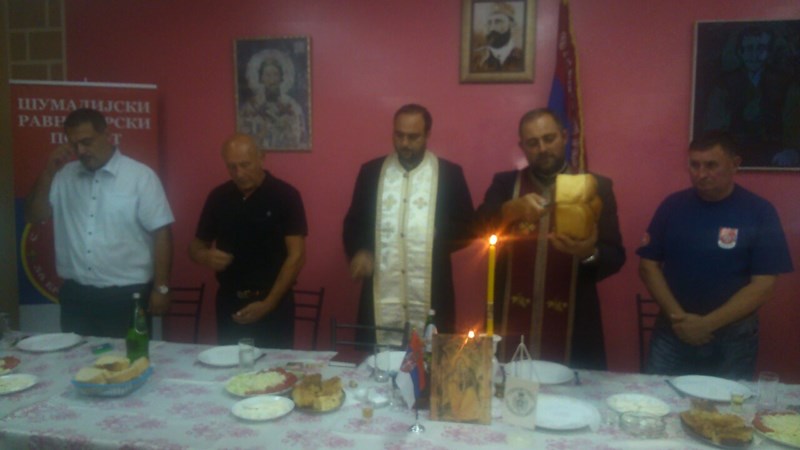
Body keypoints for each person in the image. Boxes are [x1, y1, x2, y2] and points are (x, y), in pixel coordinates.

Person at [475, 108, 625, 369]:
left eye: (549, 138)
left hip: (574, 324)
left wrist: (588, 253)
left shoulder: (596, 187)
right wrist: (510, 210)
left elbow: (615, 256)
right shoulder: (506, 184)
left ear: (564, 137)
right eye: (533, 143)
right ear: (522, 147)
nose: (542, 149)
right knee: (507, 386)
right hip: (510, 316)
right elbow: (475, 228)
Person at [638, 131, 793, 379]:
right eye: (694, 165)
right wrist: (681, 320)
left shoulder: (760, 211)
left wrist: (706, 324)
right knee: (657, 397)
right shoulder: (672, 205)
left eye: (711, 165)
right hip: (674, 328)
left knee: (728, 403)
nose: (701, 174)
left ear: (735, 164)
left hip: (734, 336)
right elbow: (648, 266)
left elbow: (764, 286)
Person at [24, 108, 174, 338]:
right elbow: (34, 216)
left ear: (107, 135)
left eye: (87, 142)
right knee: (75, 358)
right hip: (77, 296)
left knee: (130, 358)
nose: (80, 151)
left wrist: (161, 288)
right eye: (74, 145)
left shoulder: (140, 176)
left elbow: (161, 232)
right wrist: (47, 173)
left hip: (127, 295)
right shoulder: (63, 176)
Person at [343, 104, 474, 345]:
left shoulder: (449, 174)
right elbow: (354, 222)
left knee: (432, 355)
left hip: (432, 283)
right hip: (381, 284)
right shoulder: (371, 172)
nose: (404, 143)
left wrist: (434, 233)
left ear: (427, 134)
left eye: (413, 137)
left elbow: (468, 226)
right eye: (399, 135)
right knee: (379, 357)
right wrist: (360, 250)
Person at [189, 134, 306, 349]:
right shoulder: (218, 197)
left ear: (261, 158)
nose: (239, 173)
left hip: (274, 301)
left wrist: (268, 304)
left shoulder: (286, 196)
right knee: (231, 365)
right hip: (230, 300)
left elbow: (296, 256)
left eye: (245, 165)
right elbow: (195, 246)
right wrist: (203, 256)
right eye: (232, 167)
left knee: (276, 367)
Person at [702, 26, 800, 168]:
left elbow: (792, 123)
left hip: (776, 154)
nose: (754, 55)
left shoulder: (785, 83)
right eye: (749, 49)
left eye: (761, 48)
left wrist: (792, 150)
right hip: (732, 154)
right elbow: (714, 125)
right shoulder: (724, 84)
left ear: (768, 52)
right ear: (740, 52)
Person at [238, 52, 308, 149]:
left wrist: (286, 127)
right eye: (267, 75)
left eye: (275, 75)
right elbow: (243, 140)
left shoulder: (292, 106)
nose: (272, 80)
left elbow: (300, 138)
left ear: (281, 78)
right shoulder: (250, 107)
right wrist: (263, 131)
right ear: (261, 78)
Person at [470, 2, 524, 73]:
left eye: (498, 22)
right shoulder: (476, 58)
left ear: (511, 24)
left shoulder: (522, 57)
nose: (492, 28)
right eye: (489, 23)